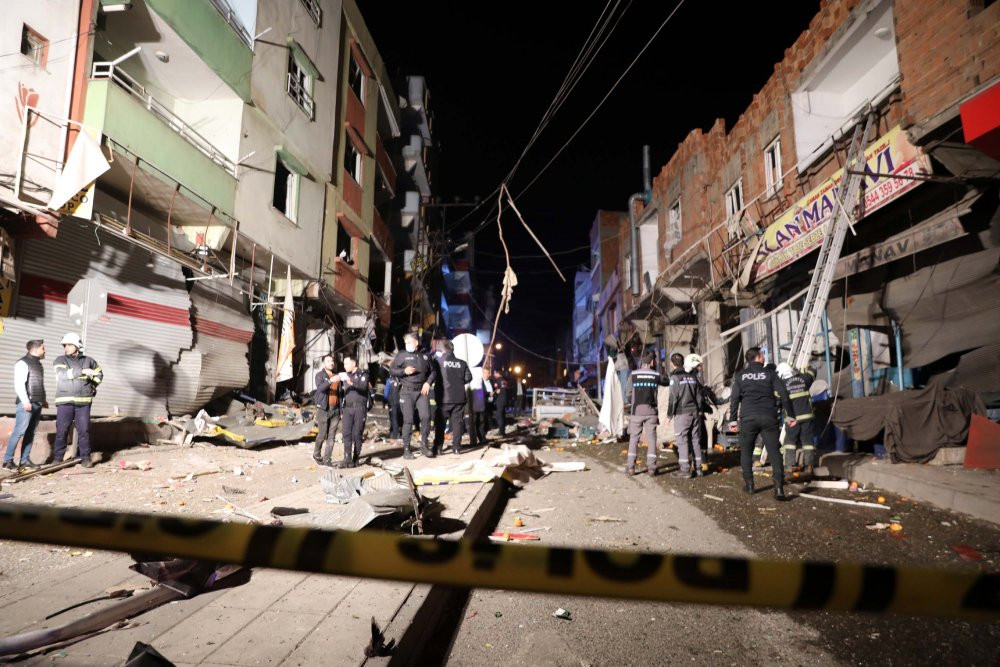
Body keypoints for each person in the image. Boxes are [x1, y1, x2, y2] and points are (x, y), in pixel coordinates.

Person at [729, 347, 796, 500]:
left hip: (748, 418)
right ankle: (779, 488)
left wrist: (733, 420)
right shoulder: (769, 374)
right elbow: (784, 395)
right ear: (758, 357)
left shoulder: (740, 376)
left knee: (746, 451)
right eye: (763, 354)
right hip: (768, 417)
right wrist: (790, 415)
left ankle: (750, 485)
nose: (764, 357)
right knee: (774, 452)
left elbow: (734, 399)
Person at [52, 333, 103, 468]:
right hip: (65, 401)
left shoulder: (89, 360)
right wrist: (83, 371)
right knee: (62, 430)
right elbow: (62, 375)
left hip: (83, 402)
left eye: (69, 345)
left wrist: (93, 385)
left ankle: (85, 458)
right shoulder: (60, 360)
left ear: (77, 346)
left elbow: (99, 374)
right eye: (65, 345)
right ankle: (58, 458)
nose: (66, 348)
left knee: (84, 430)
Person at [390, 332, 436, 459]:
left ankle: (424, 445)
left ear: (416, 342)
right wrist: (403, 371)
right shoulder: (401, 355)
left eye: (409, 342)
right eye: (406, 343)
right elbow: (392, 370)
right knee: (408, 420)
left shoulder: (425, 356)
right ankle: (406, 449)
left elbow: (433, 372)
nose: (407, 345)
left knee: (426, 417)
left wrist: (428, 382)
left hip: (422, 391)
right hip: (407, 392)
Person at [4, 339, 46, 471]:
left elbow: (37, 383)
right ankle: (7, 461)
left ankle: (24, 461)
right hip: (26, 403)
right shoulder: (22, 363)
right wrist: (25, 401)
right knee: (19, 432)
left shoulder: (38, 364)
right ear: (35, 349)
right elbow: (19, 384)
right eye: (43, 348)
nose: (45, 351)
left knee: (31, 432)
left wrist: (42, 399)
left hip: (37, 402)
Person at [626, 353, 668, 476]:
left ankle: (631, 467)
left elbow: (628, 393)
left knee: (634, 439)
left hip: (636, 412)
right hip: (651, 412)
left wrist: (633, 402)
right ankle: (651, 468)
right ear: (652, 363)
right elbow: (667, 382)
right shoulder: (656, 375)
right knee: (651, 439)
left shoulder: (633, 375)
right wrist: (662, 370)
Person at [667, 353, 708, 478]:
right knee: (695, 440)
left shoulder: (675, 378)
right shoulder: (692, 377)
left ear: (672, 364)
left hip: (682, 413)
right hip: (695, 412)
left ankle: (685, 470)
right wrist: (699, 410)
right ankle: (699, 468)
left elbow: (673, 398)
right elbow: (699, 397)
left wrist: (669, 415)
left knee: (682, 440)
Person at [776, 362, 817, 473]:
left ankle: (789, 465)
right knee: (808, 442)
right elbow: (812, 372)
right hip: (807, 416)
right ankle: (809, 466)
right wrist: (805, 367)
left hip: (792, 418)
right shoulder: (803, 379)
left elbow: (775, 396)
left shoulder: (782, 385)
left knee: (790, 441)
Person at [438, 340, 473, 456]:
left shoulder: (439, 361)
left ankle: (438, 448)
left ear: (443, 349)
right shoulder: (462, 363)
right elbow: (469, 377)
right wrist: (457, 382)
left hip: (444, 397)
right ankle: (456, 448)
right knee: (457, 423)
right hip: (459, 397)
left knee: (441, 423)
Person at [340, 354, 370, 468]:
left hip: (359, 408)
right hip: (347, 408)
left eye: (346, 364)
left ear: (353, 364)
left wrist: (350, 381)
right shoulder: (345, 376)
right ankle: (347, 459)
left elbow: (363, 387)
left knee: (357, 434)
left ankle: (356, 458)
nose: (344, 366)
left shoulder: (363, 373)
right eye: (344, 364)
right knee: (346, 434)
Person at [312, 354, 342, 466]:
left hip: (335, 410)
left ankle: (327, 459)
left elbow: (340, 394)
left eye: (332, 361)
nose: (331, 363)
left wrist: (341, 410)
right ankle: (316, 454)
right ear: (324, 363)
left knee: (332, 436)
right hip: (323, 409)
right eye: (329, 361)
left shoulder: (337, 376)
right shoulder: (319, 375)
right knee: (322, 434)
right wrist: (330, 381)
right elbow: (320, 389)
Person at [468, 367, 490, 447]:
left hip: (480, 405)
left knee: (481, 422)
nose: (487, 375)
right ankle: (477, 439)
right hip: (476, 405)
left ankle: (482, 439)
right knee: (476, 422)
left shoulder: (481, 382)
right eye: (486, 373)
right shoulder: (476, 382)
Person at [491, 368, 510, 436]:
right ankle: (502, 430)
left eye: (494, 373)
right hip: (504, 400)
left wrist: (496, 392)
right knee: (502, 415)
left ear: (497, 373)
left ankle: (501, 431)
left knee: (499, 416)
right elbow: (506, 389)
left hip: (500, 400)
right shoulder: (504, 380)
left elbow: (502, 390)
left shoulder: (499, 380)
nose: (493, 374)